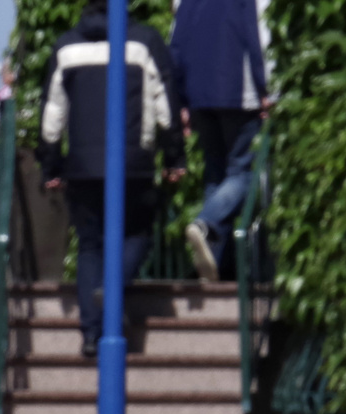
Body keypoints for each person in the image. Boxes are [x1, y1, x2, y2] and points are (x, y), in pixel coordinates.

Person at [37, 0, 187, 358]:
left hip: (83, 164)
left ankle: (91, 333)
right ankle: (112, 287)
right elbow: (165, 103)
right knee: (136, 233)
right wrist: (174, 156)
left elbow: (52, 113)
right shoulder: (144, 41)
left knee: (90, 244)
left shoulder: (66, 46)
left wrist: (51, 165)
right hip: (133, 160)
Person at [169, 0, 269, 281]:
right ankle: (207, 224)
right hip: (239, 93)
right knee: (245, 174)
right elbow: (258, 35)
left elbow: (176, 44)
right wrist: (267, 89)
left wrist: (180, 100)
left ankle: (213, 263)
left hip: (200, 95)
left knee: (216, 176)